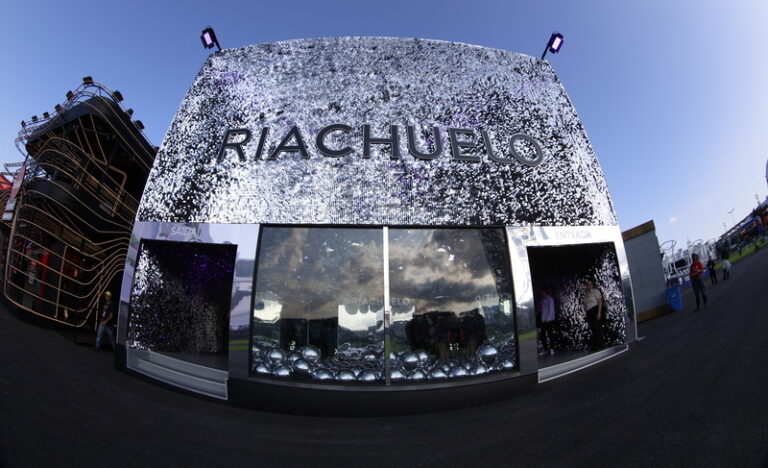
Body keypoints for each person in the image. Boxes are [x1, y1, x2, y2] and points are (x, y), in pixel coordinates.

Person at [584, 280, 603, 350]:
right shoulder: (586, 293)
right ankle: (595, 345)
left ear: (592, 285)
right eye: (587, 284)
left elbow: (600, 302)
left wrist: (599, 312)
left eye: (590, 284)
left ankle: (600, 345)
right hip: (589, 311)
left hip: (595, 309)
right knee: (593, 329)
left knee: (597, 328)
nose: (589, 286)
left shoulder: (596, 291)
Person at [538, 288, 556, 356]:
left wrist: (548, 319)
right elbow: (542, 309)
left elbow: (551, 309)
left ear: (545, 291)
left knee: (550, 334)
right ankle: (545, 349)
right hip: (543, 320)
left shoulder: (550, 299)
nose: (541, 293)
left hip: (549, 320)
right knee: (543, 335)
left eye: (542, 291)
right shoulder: (543, 299)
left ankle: (552, 348)